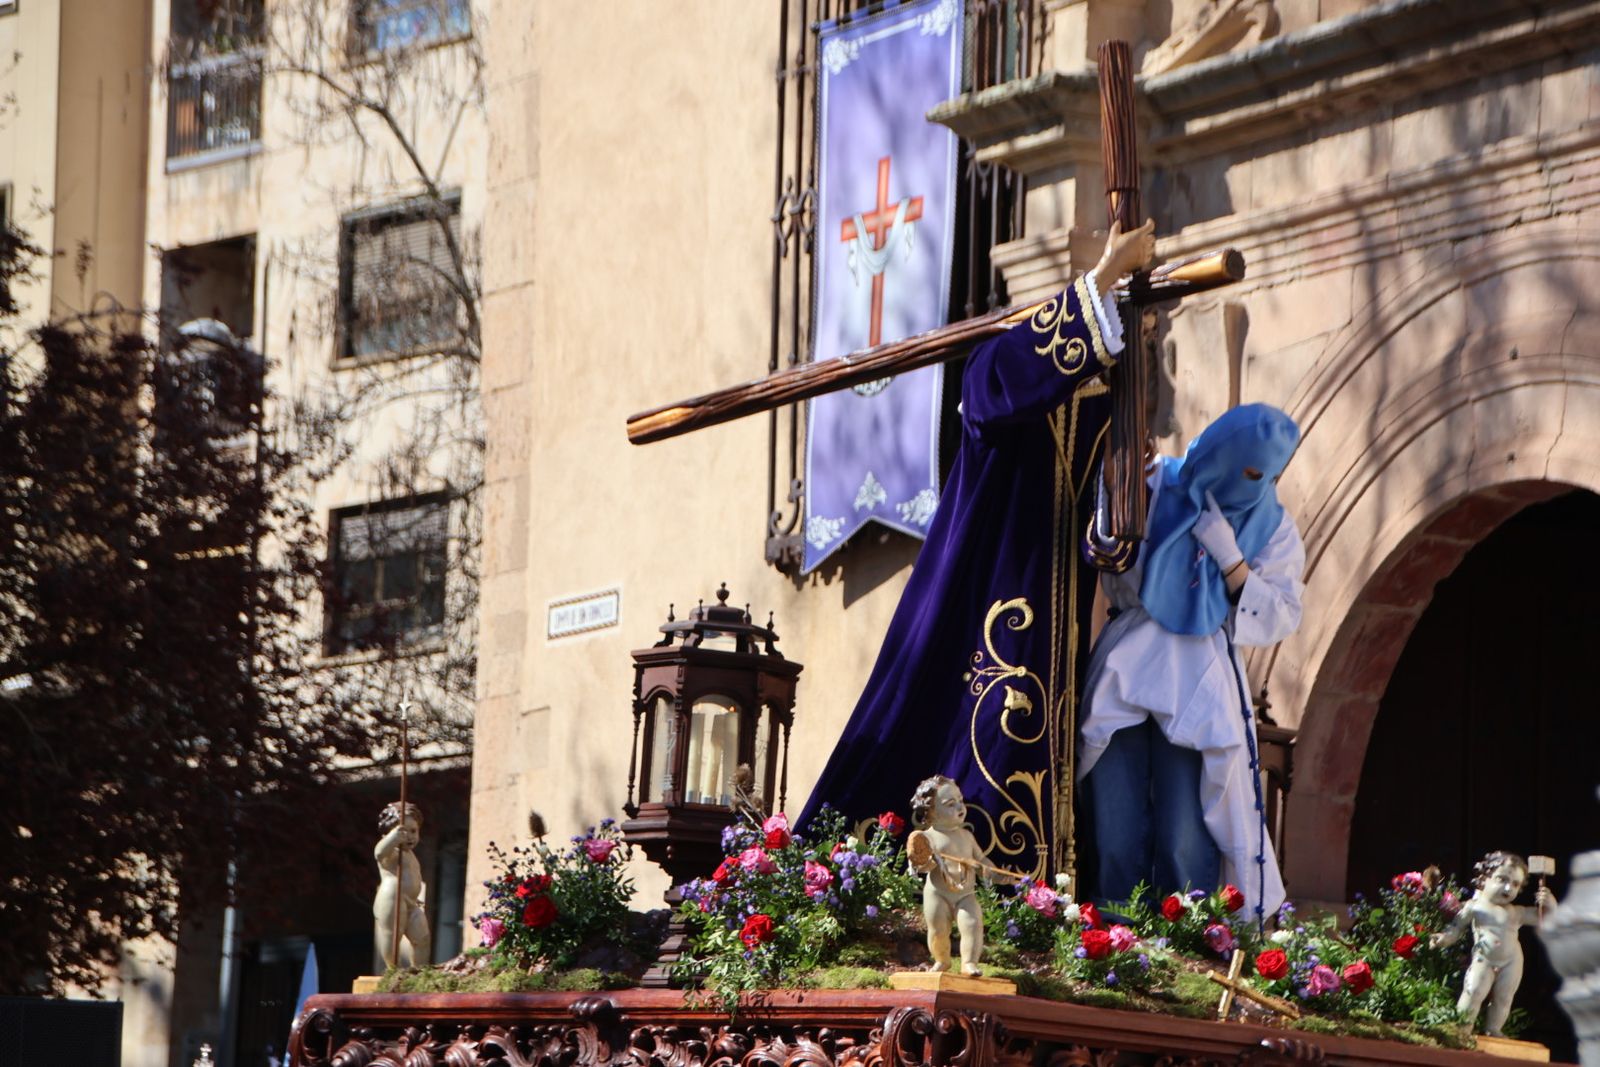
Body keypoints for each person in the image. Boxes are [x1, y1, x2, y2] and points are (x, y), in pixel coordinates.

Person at [799, 220, 1156, 879]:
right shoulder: (993, 373)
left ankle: (1030, 897)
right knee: (962, 738)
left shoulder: (1102, 409)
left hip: (1058, 629)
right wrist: (1105, 276)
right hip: (990, 593)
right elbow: (1002, 384)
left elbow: (1107, 539)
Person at [1077, 403, 1303, 923]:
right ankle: (1112, 940)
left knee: (1187, 827)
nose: (1256, 485)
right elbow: (1105, 551)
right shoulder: (1157, 480)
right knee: (1114, 816)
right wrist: (1116, 487)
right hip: (1126, 664)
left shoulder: (1272, 524)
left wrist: (1231, 559)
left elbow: (1281, 613)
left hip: (1199, 679)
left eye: (1269, 475)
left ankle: (1185, 943)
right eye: (1248, 470)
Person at [1432, 850, 1557, 1035]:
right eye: (1502, 879)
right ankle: (1461, 1029)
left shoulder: (1516, 912)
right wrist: (1444, 938)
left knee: (1504, 998)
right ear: (1484, 879)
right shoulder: (1474, 907)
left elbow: (1544, 919)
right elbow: (1456, 928)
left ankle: (1494, 1029)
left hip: (1512, 961)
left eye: (1515, 884)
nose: (1508, 888)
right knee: (1473, 991)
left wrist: (1550, 904)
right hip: (1484, 959)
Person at [908, 775, 988, 974]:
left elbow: (981, 860)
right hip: (937, 894)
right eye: (951, 804)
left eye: (960, 800)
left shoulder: (966, 836)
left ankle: (969, 962)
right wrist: (926, 860)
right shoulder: (928, 837)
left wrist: (993, 872)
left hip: (965, 894)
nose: (960, 807)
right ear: (931, 813)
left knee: (972, 924)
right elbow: (922, 866)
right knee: (938, 931)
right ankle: (942, 960)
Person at [373, 800, 431, 969]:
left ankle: (419, 971)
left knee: (422, 937)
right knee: (392, 936)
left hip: (411, 902)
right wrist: (393, 838)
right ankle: (393, 970)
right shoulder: (392, 852)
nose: (410, 836)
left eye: (414, 831)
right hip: (392, 898)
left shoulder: (410, 854)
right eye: (404, 831)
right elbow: (379, 853)